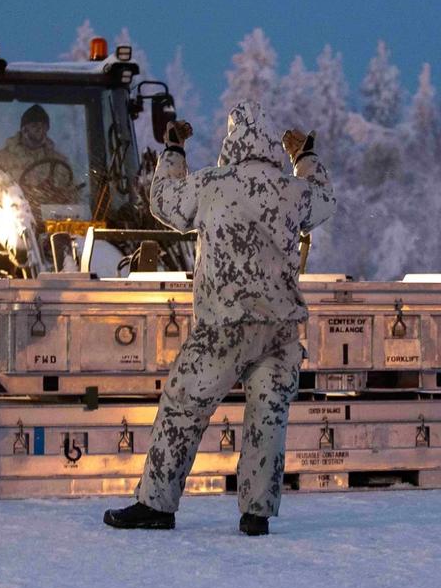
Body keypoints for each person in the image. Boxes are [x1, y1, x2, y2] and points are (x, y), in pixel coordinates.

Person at [104, 101, 335, 535]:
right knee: (267, 419)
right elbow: (324, 200)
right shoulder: (290, 190)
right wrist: (304, 158)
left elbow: (164, 202)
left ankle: (155, 505)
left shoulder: (212, 185)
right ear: (269, 143)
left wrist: (173, 150)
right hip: (281, 332)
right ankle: (256, 515)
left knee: (182, 406)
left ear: (233, 140)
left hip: (224, 329)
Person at [0, 104, 79, 203]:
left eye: (44, 126)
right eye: (34, 125)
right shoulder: (0, 160)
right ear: (24, 130)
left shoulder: (60, 162)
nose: (40, 129)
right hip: (16, 215)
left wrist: (62, 197)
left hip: (52, 216)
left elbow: (73, 196)